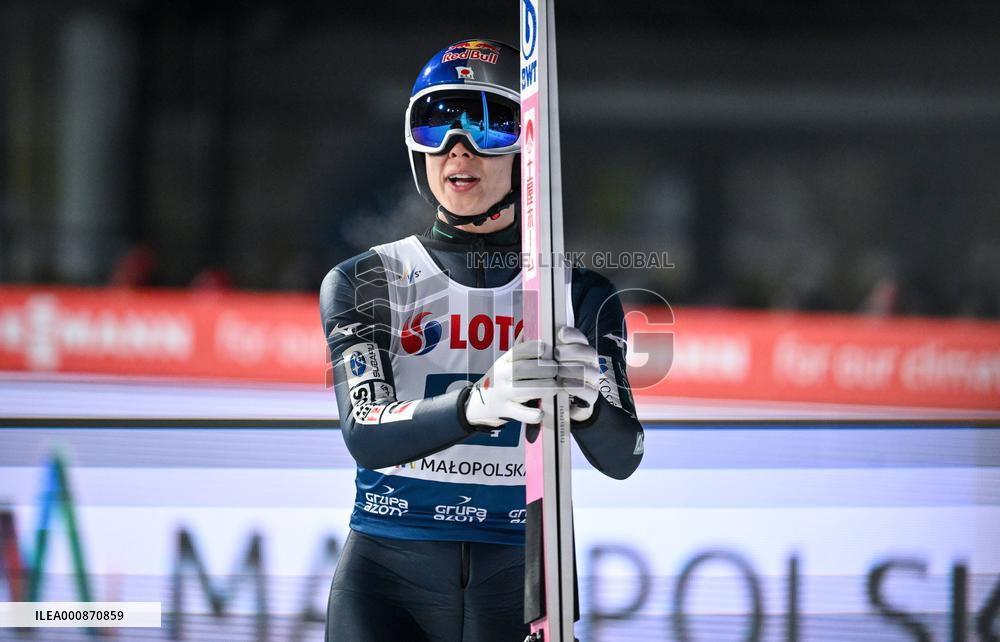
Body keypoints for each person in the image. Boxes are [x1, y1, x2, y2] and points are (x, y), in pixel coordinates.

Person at [320, 38, 644, 642]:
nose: (457, 148)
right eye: (436, 124)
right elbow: (363, 431)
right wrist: (477, 404)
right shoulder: (366, 281)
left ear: (527, 147)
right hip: (389, 573)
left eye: (487, 125)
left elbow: (626, 457)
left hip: (522, 573)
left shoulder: (579, 293)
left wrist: (591, 404)